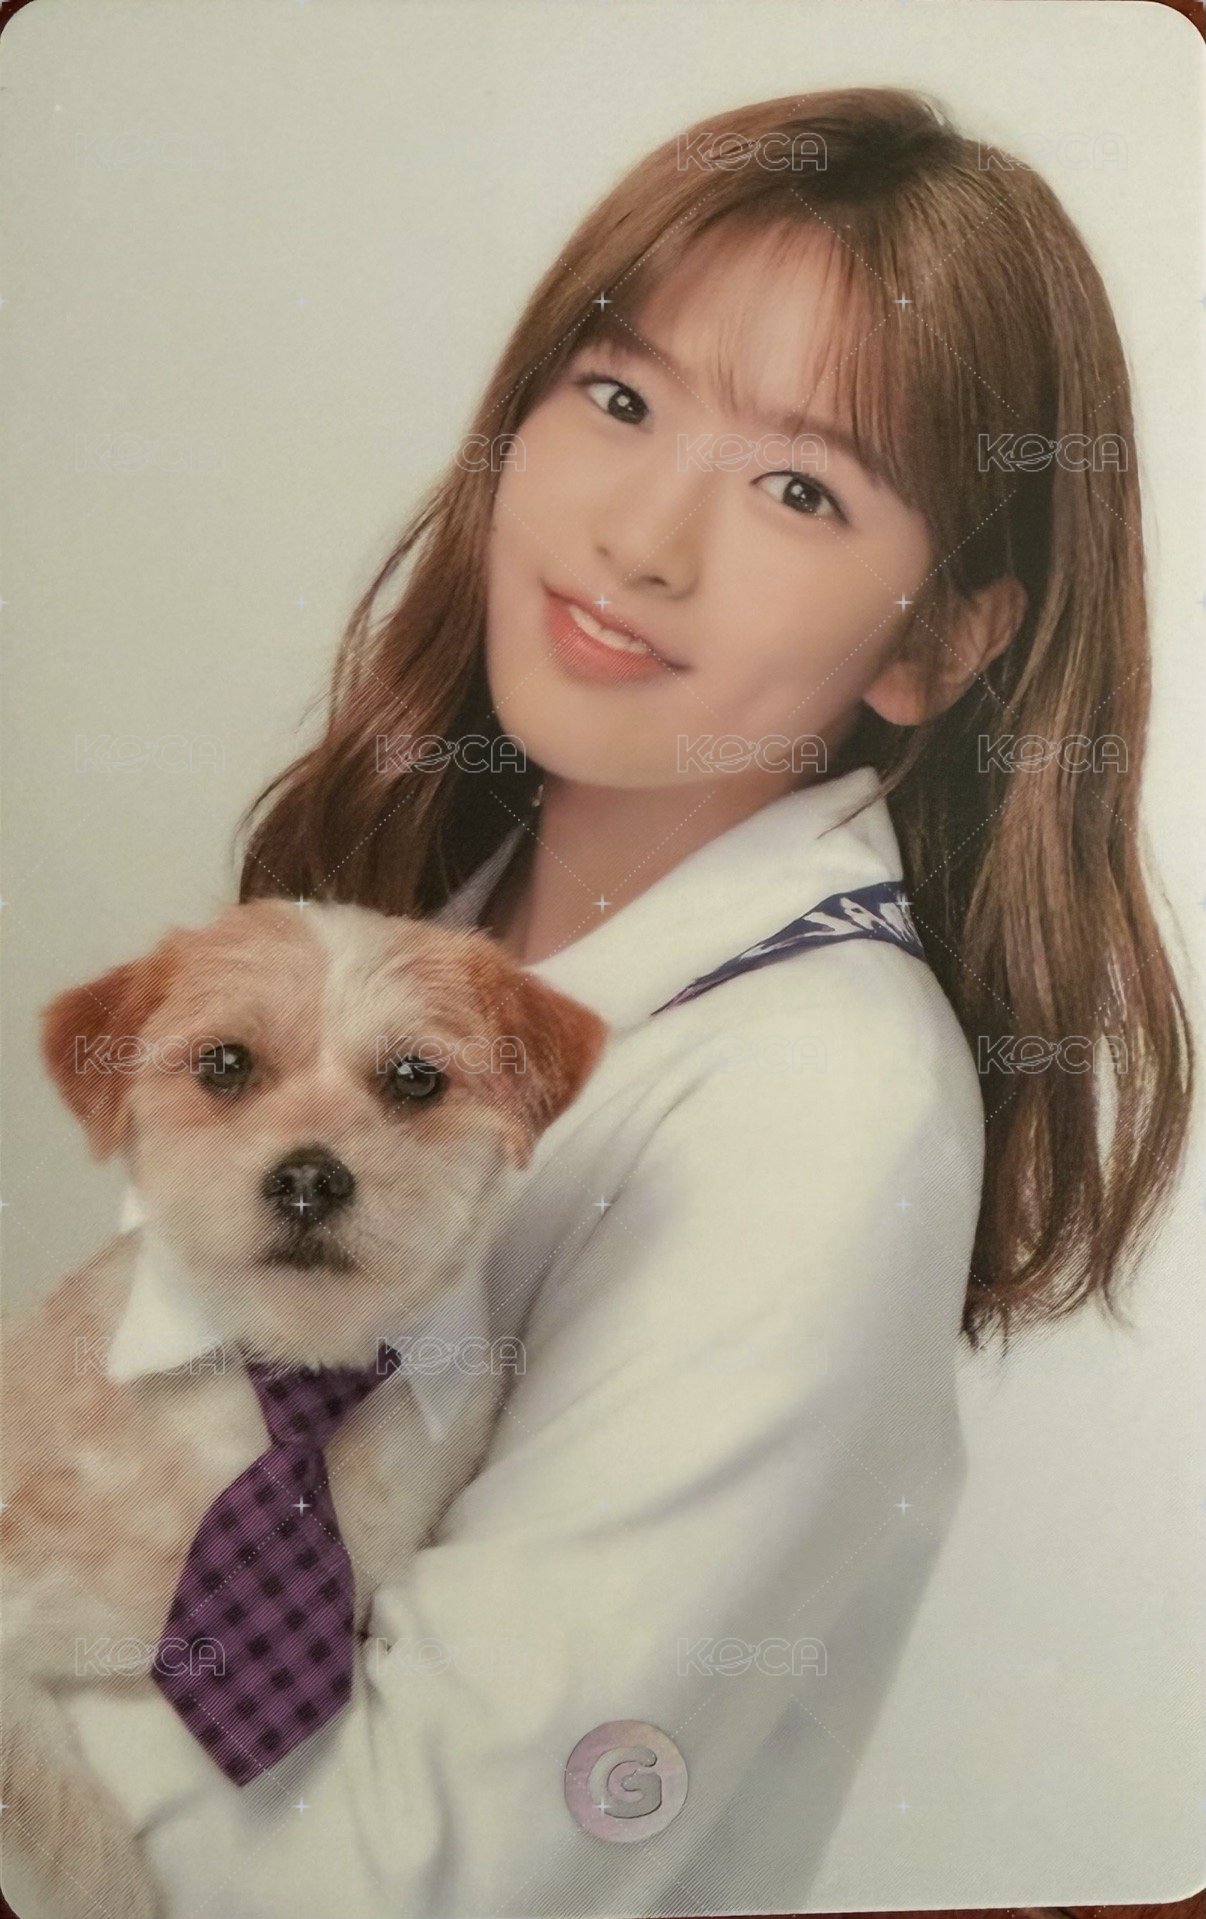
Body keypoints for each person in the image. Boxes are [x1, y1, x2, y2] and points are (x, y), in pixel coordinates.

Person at [60, 86, 1192, 1918]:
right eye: (619, 397)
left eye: (799, 490)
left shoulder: (815, 1101)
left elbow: (403, 1878)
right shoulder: (408, 949)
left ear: (935, 642)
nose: (644, 539)